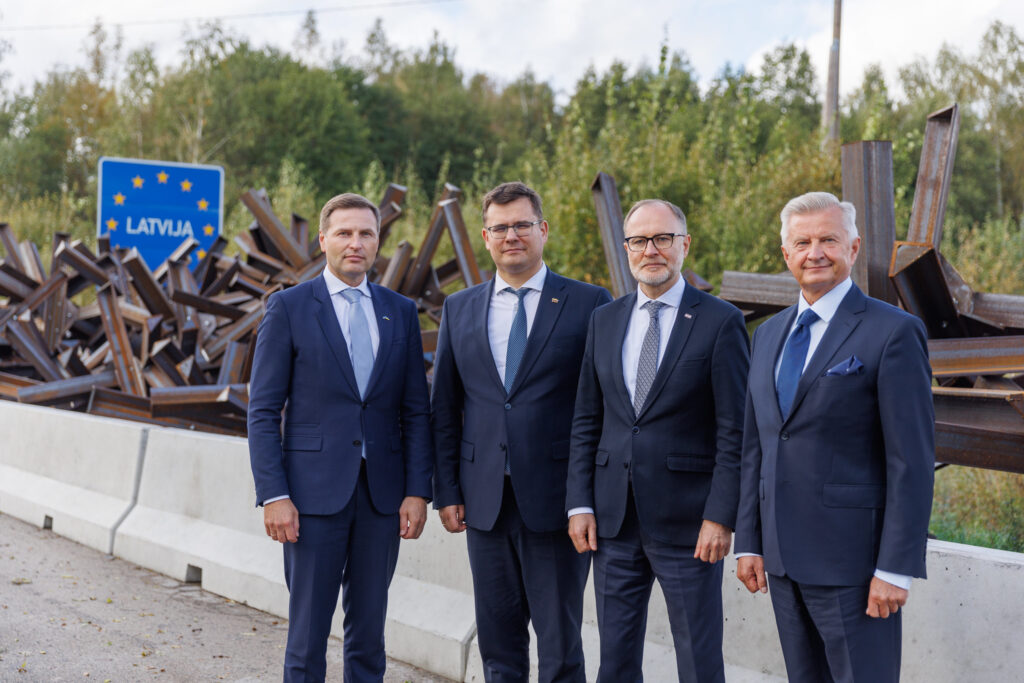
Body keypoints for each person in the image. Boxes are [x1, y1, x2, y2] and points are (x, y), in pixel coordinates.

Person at [734, 191, 934, 683]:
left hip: (856, 567)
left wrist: (894, 568)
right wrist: (749, 542)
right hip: (781, 563)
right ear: (786, 255)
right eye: (802, 242)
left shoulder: (893, 332)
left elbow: (911, 460)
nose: (814, 252)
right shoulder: (768, 335)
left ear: (853, 247)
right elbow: (756, 445)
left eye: (828, 239)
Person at [247, 193, 433, 682]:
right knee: (307, 639)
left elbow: (415, 411)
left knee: (369, 638)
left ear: (378, 243)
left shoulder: (400, 311)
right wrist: (274, 494)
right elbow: (263, 411)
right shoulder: (288, 308)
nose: (356, 243)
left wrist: (417, 490)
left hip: (382, 499)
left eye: (366, 234)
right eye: (345, 233)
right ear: (324, 239)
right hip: (309, 498)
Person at [431, 181, 612, 682]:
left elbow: (600, 407)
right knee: (498, 643)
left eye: (522, 225)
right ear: (486, 237)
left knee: (560, 646)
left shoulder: (589, 302)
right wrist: (445, 489)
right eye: (500, 227)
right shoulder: (459, 308)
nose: (512, 235)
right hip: (483, 503)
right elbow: (444, 407)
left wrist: (586, 498)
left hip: (557, 505)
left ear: (543, 230)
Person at [566, 199, 749, 683]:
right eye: (640, 240)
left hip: (690, 526)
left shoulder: (720, 321)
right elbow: (587, 418)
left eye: (663, 238)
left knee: (698, 660)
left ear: (684, 245)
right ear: (627, 249)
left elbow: (735, 431)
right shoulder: (605, 319)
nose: (652, 250)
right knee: (615, 661)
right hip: (612, 521)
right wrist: (579, 503)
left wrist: (720, 516)